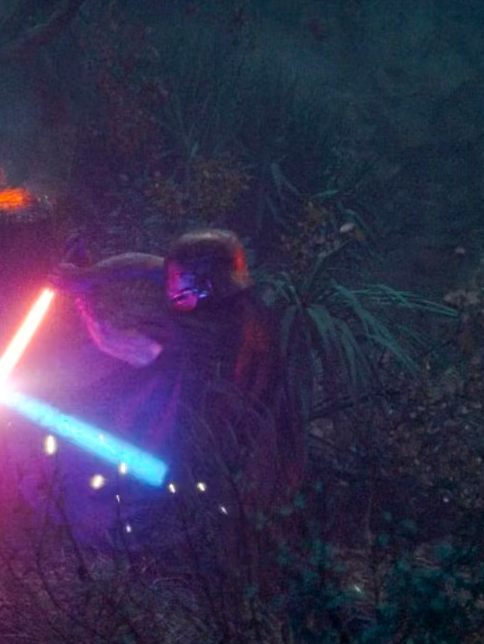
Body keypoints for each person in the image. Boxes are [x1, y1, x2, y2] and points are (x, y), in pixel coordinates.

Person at [49, 229, 305, 538]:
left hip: (208, 439)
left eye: (177, 282)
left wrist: (82, 292)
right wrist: (89, 274)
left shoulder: (202, 332)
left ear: (204, 287)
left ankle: (161, 509)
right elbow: (146, 264)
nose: (169, 287)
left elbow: (112, 339)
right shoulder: (241, 300)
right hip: (243, 425)